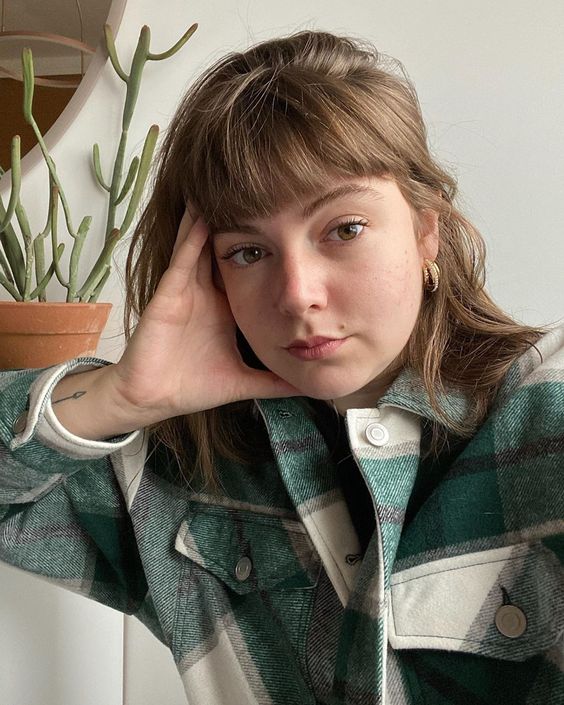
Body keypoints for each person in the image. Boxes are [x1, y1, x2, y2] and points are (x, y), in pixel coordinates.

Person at [0, 29, 562, 705]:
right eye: (248, 252)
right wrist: (120, 397)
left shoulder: (543, 418)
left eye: (344, 228)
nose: (297, 293)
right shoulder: (176, 472)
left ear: (425, 230)